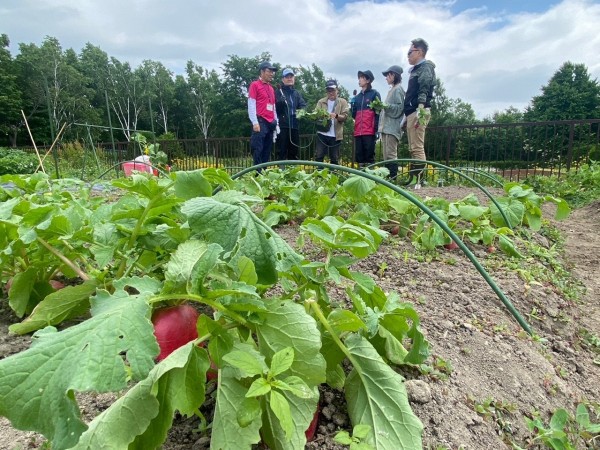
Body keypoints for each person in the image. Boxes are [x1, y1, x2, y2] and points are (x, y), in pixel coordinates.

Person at [402, 38, 436, 187]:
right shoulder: (416, 69)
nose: (408, 55)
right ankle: (414, 179)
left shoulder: (425, 67)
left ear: (419, 52)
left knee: (417, 146)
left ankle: (419, 181)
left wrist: (420, 110)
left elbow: (424, 88)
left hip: (419, 111)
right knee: (412, 147)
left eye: (410, 52)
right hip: (412, 112)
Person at [248, 61, 279, 170]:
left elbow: (273, 107)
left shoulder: (271, 88)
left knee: (267, 149)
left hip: (270, 122)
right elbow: (251, 103)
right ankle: (257, 174)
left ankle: (264, 173)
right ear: (262, 71)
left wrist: (276, 122)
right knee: (258, 149)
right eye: (269, 71)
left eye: (272, 72)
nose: (271, 74)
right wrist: (254, 122)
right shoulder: (255, 85)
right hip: (260, 121)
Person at [314, 79, 350, 166]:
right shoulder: (321, 101)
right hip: (322, 133)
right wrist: (322, 115)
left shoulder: (343, 102)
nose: (331, 92)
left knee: (334, 158)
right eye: (328, 90)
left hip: (335, 135)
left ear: (337, 90)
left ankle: (333, 174)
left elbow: (345, 117)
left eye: (333, 90)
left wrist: (336, 116)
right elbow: (315, 114)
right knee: (319, 156)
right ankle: (319, 173)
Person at [379, 65, 405, 180]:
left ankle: (393, 180)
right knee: (386, 156)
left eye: (388, 75)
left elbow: (399, 108)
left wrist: (386, 106)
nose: (386, 78)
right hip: (386, 128)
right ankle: (389, 180)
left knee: (391, 155)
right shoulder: (392, 89)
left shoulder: (398, 89)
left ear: (393, 75)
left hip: (392, 128)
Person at [275, 68, 307, 162]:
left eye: (291, 77)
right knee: (281, 152)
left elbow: (303, 105)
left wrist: (301, 112)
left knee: (294, 153)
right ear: (283, 79)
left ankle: (293, 170)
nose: (289, 79)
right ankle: (281, 170)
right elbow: (274, 110)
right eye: (287, 77)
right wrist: (280, 103)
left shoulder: (296, 93)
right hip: (282, 127)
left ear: (294, 78)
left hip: (294, 126)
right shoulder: (278, 92)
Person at [351, 70, 381, 167]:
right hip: (358, 131)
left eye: (362, 77)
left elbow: (378, 112)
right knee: (359, 157)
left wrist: (376, 129)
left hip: (369, 131)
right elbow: (353, 115)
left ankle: (370, 175)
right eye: (359, 78)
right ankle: (360, 174)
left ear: (368, 80)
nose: (359, 80)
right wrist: (352, 105)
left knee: (369, 157)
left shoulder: (374, 94)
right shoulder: (357, 97)